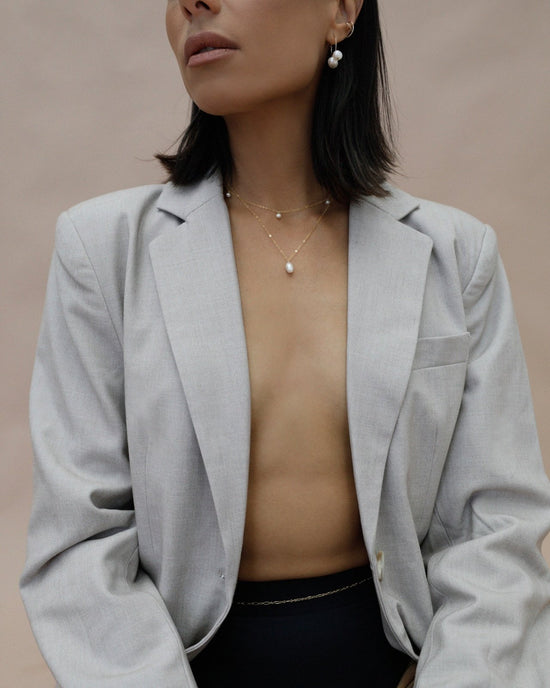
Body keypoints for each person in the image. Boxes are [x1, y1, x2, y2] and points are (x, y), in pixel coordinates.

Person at [20, 0, 550, 686]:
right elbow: (79, 541)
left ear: (342, 10)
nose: (193, 2)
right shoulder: (103, 251)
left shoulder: (455, 255)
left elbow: (496, 531)